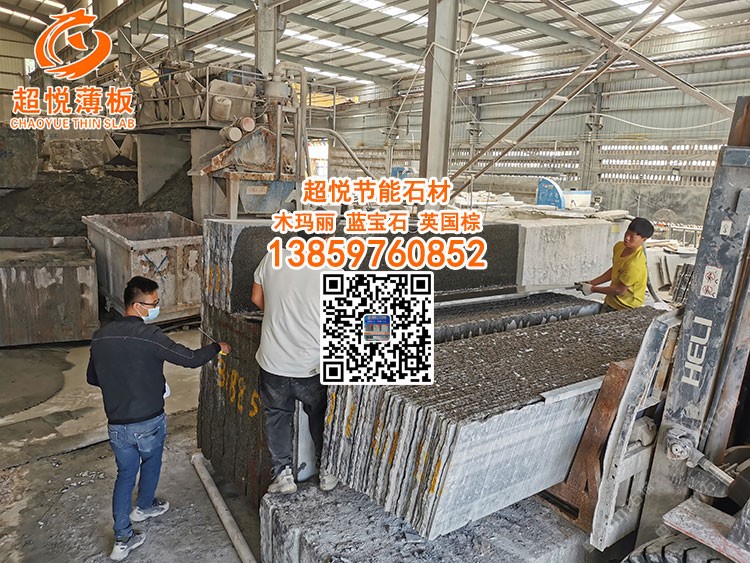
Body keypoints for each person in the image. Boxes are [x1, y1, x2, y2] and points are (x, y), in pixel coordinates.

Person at [87, 276, 231, 561]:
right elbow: (190, 359)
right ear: (137, 306)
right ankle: (143, 507)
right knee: (151, 461)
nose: (156, 308)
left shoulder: (101, 336)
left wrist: (122, 383)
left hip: (117, 424)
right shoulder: (149, 336)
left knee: (125, 474)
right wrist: (217, 347)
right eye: (153, 303)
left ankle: (122, 539)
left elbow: (93, 378)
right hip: (148, 420)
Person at [251, 248, 338, 495]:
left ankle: (283, 475)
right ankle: (326, 471)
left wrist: (279, 314)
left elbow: (256, 298)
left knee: (277, 416)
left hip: (273, 361)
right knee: (320, 414)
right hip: (311, 364)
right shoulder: (332, 265)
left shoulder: (272, 256)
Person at [576, 217, 654, 312]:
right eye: (627, 233)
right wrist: (591, 283)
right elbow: (615, 270)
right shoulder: (619, 246)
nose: (627, 238)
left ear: (644, 239)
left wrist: (592, 289)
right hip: (610, 302)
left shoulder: (635, 264)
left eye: (632, 236)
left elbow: (619, 290)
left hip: (627, 308)